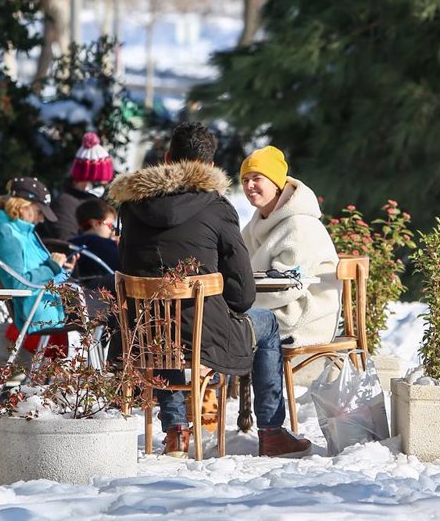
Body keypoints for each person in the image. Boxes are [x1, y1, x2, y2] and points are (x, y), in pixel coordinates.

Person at [108, 121, 311, 458]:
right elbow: (243, 294)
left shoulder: (131, 208)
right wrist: (226, 310)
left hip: (144, 332)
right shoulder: (217, 209)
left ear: (168, 157)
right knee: (267, 324)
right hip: (205, 332)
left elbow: (128, 264)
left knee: (164, 321)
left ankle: (175, 430)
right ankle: (271, 432)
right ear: (211, 166)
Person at [240, 146, 340, 346]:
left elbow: (286, 288)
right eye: (245, 180)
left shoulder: (299, 225)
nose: (249, 185)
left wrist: (237, 300)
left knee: (227, 327)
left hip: (304, 316)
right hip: (272, 310)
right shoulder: (255, 225)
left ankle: (221, 377)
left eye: (256, 178)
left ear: (276, 183)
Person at [0, 177, 75, 347]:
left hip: (50, 301)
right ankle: (120, 364)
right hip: (40, 309)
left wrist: (61, 269)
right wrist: (52, 267)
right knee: (111, 300)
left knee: (109, 298)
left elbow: (38, 270)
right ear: (22, 206)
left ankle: (119, 364)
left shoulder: (24, 232)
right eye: (40, 212)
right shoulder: (7, 236)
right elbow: (17, 285)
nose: (41, 220)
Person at [39, 132, 114, 241]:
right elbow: (66, 241)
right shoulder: (65, 204)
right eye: (97, 182)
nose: (101, 188)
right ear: (80, 180)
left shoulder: (97, 201)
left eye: (105, 183)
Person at [69, 198, 122, 290]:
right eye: (110, 226)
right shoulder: (105, 245)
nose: (113, 231)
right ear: (95, 223)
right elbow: (123, 269)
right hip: (102, 296)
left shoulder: (69, 244)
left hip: (76, 292)